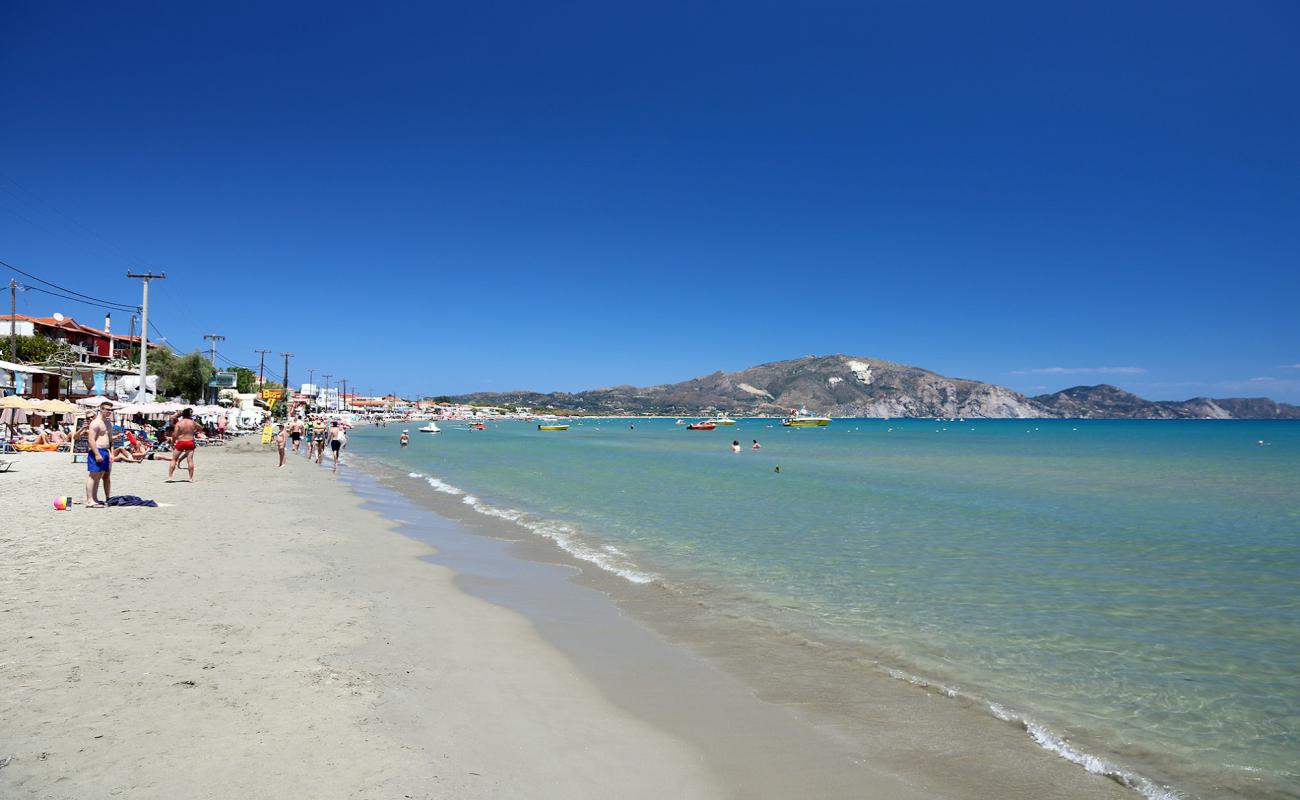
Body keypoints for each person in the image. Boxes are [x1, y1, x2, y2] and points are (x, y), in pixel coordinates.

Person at [85, 401, 114, 508]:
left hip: (106, 451)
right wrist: (97, 454)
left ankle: (95, 498)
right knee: (93, 475)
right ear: (101, 409)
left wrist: (111, 453)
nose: (108, 412)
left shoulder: (108, 423)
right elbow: (91, 440)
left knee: (100, 475)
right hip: (97, 450)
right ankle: (89, 500)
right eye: (106, 409)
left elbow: (110, 440)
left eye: (110, 410)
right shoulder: (95, 423)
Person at [168, 407, 200, 482]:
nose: (192, 414)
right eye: (191, 413)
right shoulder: (193, 422)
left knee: (174, 460)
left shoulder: (179, 423)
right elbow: (201, 428)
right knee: (190, 460)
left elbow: (174, 435)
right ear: (189, 414)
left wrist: (172, 443)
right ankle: (190, 478)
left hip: (181, 442)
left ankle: (170, 477)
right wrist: (194, 431)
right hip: (190, 441)